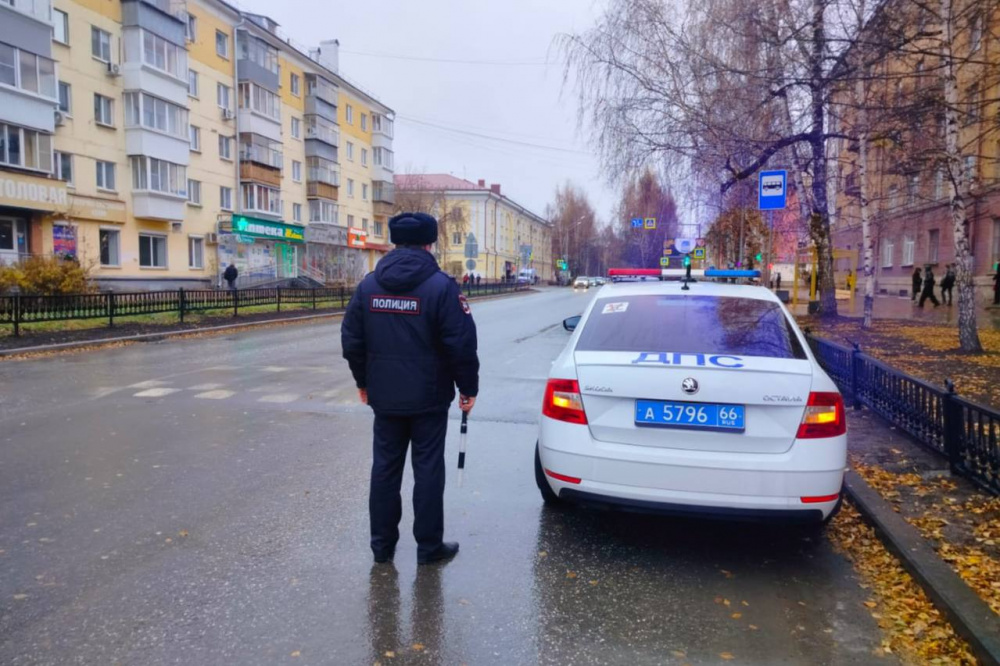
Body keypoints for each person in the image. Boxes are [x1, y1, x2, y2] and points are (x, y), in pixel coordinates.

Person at [342, 212, 479, 566]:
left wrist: (363, 382)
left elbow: (351, 339)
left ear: (395, 241)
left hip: (384, 397)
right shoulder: (441, 287)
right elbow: (460, 344)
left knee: (385, 469)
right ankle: (429, 547)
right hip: (429, 399)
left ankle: (382, 547)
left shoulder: (370, 285)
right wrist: (468, 388)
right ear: (429, 243)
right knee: (429, 469)